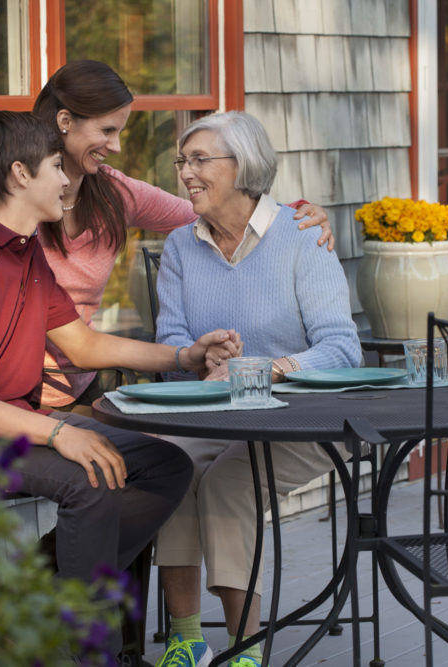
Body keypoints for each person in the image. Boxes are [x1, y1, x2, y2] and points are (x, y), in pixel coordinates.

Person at [0, 110, 242, 658]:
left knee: (164, 464)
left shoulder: (24, 250)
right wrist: (59, 434)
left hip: (7, 422)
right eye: (57, 166)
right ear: (19, 175)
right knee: (92, 477)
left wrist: (184, 354)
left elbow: (82, 345)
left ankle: (34, 598)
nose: (67, 180)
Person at [0, 60, 334, 411]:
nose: (115, 145)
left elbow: (212, 209)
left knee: (157, 458)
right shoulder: (21, 197)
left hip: (83, 378)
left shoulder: (115, 193)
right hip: (3, 395)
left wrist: (287, 215)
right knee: (141, 462)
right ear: (64, 122)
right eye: (107, 131)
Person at [151, 111, 362, 667]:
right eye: (182, 161)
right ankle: (186, 640)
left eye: (200, 160)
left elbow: (343, 348)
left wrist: (272, 367)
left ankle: (246, 649)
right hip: (216, 415)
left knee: (226, 483)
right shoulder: (179, 246)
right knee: (165, 462)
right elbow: (170, 340)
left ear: (243, 166)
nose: (186, 173)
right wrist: (201, 353)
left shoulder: (301, 235)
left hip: (303, 418)